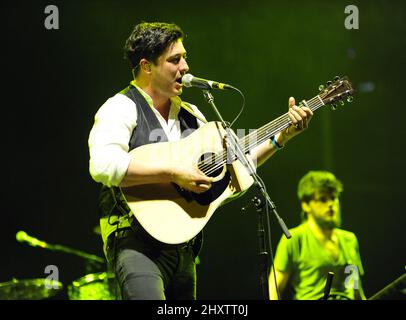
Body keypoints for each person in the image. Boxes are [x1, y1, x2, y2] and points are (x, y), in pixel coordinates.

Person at [88, 21, 313, 300]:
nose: (185, 67)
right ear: (147, 66)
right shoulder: (121, 107)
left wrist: (282, 137)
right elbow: (103, 165)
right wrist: (174, 172)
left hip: (184, 248)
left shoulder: (193, 116)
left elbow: (237, 169)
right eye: (175, 60)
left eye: (185, 57)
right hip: (137, 245)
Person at [268, 170, 367, 300]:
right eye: (322, 199)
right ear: (306, 205)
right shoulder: (293, 238)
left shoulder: (350, 239)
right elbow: (274, 287)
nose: (330, 204)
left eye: (333, 198)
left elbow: (355, 290)